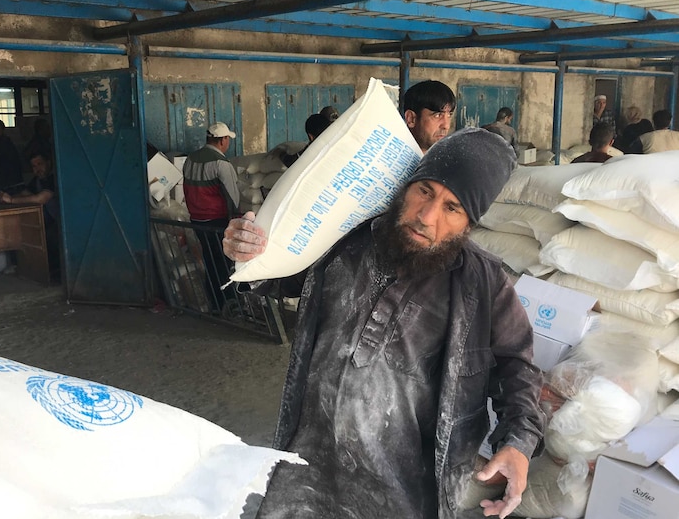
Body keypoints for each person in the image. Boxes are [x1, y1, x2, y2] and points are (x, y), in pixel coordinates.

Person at [223, 128, 543, 519]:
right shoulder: (343, 238)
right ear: (406, 187)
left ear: (469, 224)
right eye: (424, 190)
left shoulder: (482, 283)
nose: (427, 217)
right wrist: (248, 251)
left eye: (452, 207)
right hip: (306, 471)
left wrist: (518, 442)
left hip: (405, 492)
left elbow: (518, 366)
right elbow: (280, 275)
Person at [183, 122, 241, 311]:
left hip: (197, 220)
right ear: (223, 140)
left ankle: (214, 302)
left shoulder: (190, 159)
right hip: (217, 221)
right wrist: (237, 220)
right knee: (224, 263)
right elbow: (233, 196)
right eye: (228, 140)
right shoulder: (221, 164)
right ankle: (228, 303)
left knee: (210, 260)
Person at [0, 149, 60, 279]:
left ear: (48, 163)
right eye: (34, 166)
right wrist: (6, 197)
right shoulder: (37, 181)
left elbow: (41, 198)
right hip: (45, 223)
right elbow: (27, 194)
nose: (37, 169)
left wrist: (12, 200)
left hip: (59, 224)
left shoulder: (54, 178)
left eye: (40, 164)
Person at [403, 80, 457, 153]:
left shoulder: (450, 161)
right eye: (437, 115)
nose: (446, 126)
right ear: (411, 118)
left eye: (449, 115)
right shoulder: (387, 161)